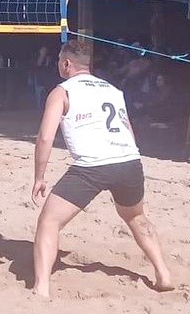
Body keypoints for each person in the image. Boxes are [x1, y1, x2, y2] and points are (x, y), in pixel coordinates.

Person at [30, 39, 173, 298]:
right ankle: (163, 273)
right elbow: (128, 128)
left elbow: (45, 137)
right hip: (128, 160)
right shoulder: (112, 90)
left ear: (66, 64)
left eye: (59, 62)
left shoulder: (62, 91)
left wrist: (39, 177)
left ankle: (42, 288)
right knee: (136, 217)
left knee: (49, 222)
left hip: (92, 166)